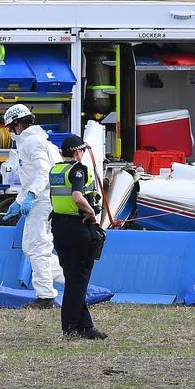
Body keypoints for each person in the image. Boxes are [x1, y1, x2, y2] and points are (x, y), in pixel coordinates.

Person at [2, 103, 60, 309]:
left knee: (37, 248)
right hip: (42, 200)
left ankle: (45, 297)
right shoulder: (37, 141)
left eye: (10, 128)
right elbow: (32, 178)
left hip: (41, 201)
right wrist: (19, 201)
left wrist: (31, 196)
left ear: (17, 124)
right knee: (33, 248)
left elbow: (43, 172)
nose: (9, 132)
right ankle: (69, 277)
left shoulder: (32, 143)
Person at [50, 134, 107, 339]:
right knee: (79, 279)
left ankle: (85, 326)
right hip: (79, 227)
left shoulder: (55, 170)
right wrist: (91, 212)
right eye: (82, 150)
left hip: (59, 227)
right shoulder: (77, 170)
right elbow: (77, 196)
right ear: (77, 151)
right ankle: (71, 328)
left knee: (73, 279)